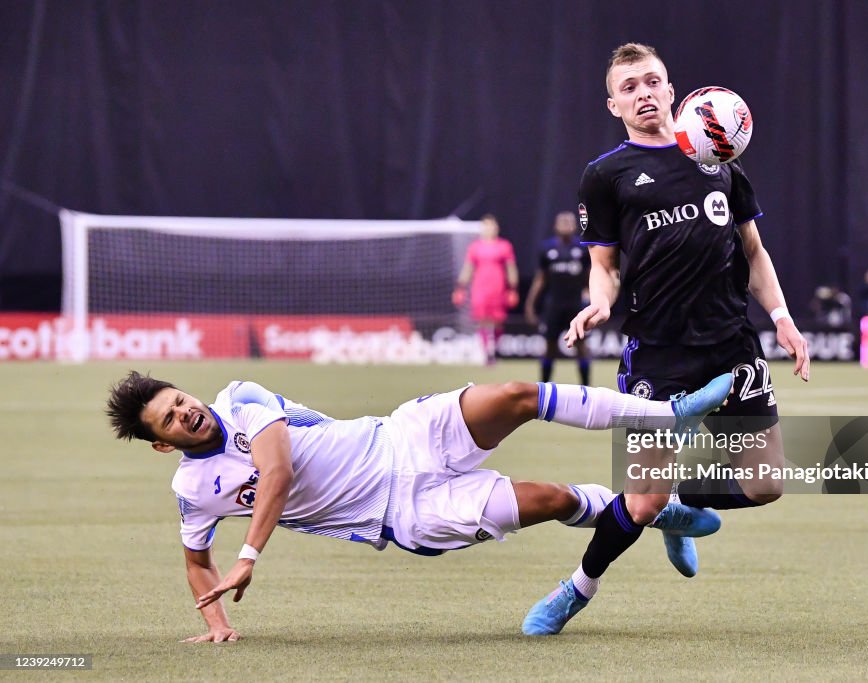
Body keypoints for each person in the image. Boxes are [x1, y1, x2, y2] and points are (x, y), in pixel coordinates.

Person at [105, 369, 732, 642]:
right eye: (172, 419)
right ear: (163, 445)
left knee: (515, 394)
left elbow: (278, 469)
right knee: (554, 499)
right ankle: (657, 511)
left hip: (401, 434)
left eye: (180, 398)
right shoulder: (191, 491)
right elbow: (194, 558)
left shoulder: (241, 398)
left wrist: (249, 554)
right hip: (404, 512)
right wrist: (218, 624)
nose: (187, 411)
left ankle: (667, 415)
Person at [521, 43, 809, 636]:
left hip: (732, 344)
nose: (643, 93)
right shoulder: (606, 175)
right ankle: (575, 589)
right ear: (613, 104)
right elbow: (603, 265)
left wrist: (780, 314)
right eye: (629, 87)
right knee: (641, 498)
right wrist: (598, 301)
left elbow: (753, 251)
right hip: (658, 349)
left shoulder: (721, 160)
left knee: (765, 484)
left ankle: (683, 505)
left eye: (652, 81)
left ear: (673, 91)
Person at [524, 211, 592, 385]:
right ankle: (544, 388)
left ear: (575, 226)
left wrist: (592, 297)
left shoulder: (582, 249)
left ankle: (587, 389)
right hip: (554, 305)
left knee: (582, 348)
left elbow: (591, 277)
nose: (566, 225)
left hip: (576, 306)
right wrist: (530, 305)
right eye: (562, 222)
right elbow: (540, 279)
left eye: (569, 222)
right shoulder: (547, 249)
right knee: (549, 348)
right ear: (555, 226)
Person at [452, 214, 519, 365]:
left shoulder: (504, 246)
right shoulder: (475, 247)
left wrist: (513, 288)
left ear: (497, 228)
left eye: (492, 226)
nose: (489, 229)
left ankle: (495, 349)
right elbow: (468, 268)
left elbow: (511, 268)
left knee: (498, 321)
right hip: (480, 289)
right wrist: (460, 287)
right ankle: (486, 353)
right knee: (482, 321)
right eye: (486, 226)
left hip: (498, 288)